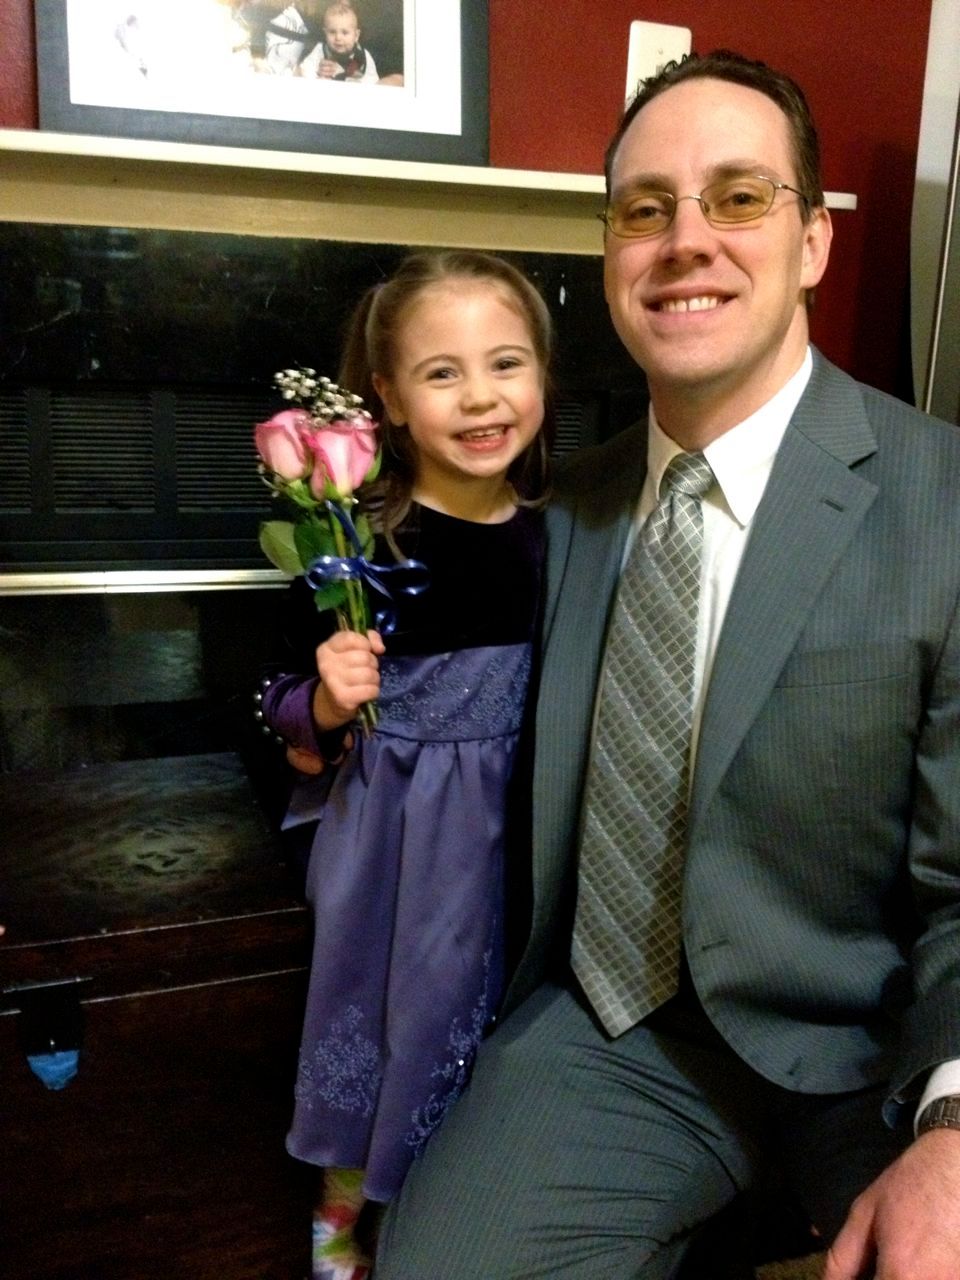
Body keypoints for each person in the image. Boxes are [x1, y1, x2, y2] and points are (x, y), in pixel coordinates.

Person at [374, 49, 960, 1280]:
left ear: (812, 243)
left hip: (887, 1048)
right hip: (618, 1033)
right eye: (647, 209)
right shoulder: (556, 512)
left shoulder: (945, 502)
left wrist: (955, 1126)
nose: (686, 239)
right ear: (610, 256)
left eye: (739, 197)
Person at [258, 250, 552, 1280]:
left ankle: (446, 1200)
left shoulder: (557, 539)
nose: (481, 396)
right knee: (378, 1016)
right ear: (385, 394)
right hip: (397, 838)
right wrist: (330, 695)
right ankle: (342, 1213)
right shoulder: (359, 547)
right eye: (443, 372)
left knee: (478, 1028)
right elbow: (274, 698)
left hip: (511, 829)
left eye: (506, 362)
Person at [316, 1, 378, 82]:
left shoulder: (362, 55)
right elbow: (304, 72)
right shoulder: (320, 50)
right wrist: (318, 74)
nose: (338, 37)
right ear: (325, 33)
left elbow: (374, 82)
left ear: (356, 36)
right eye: (332, 32)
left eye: (345, 33)